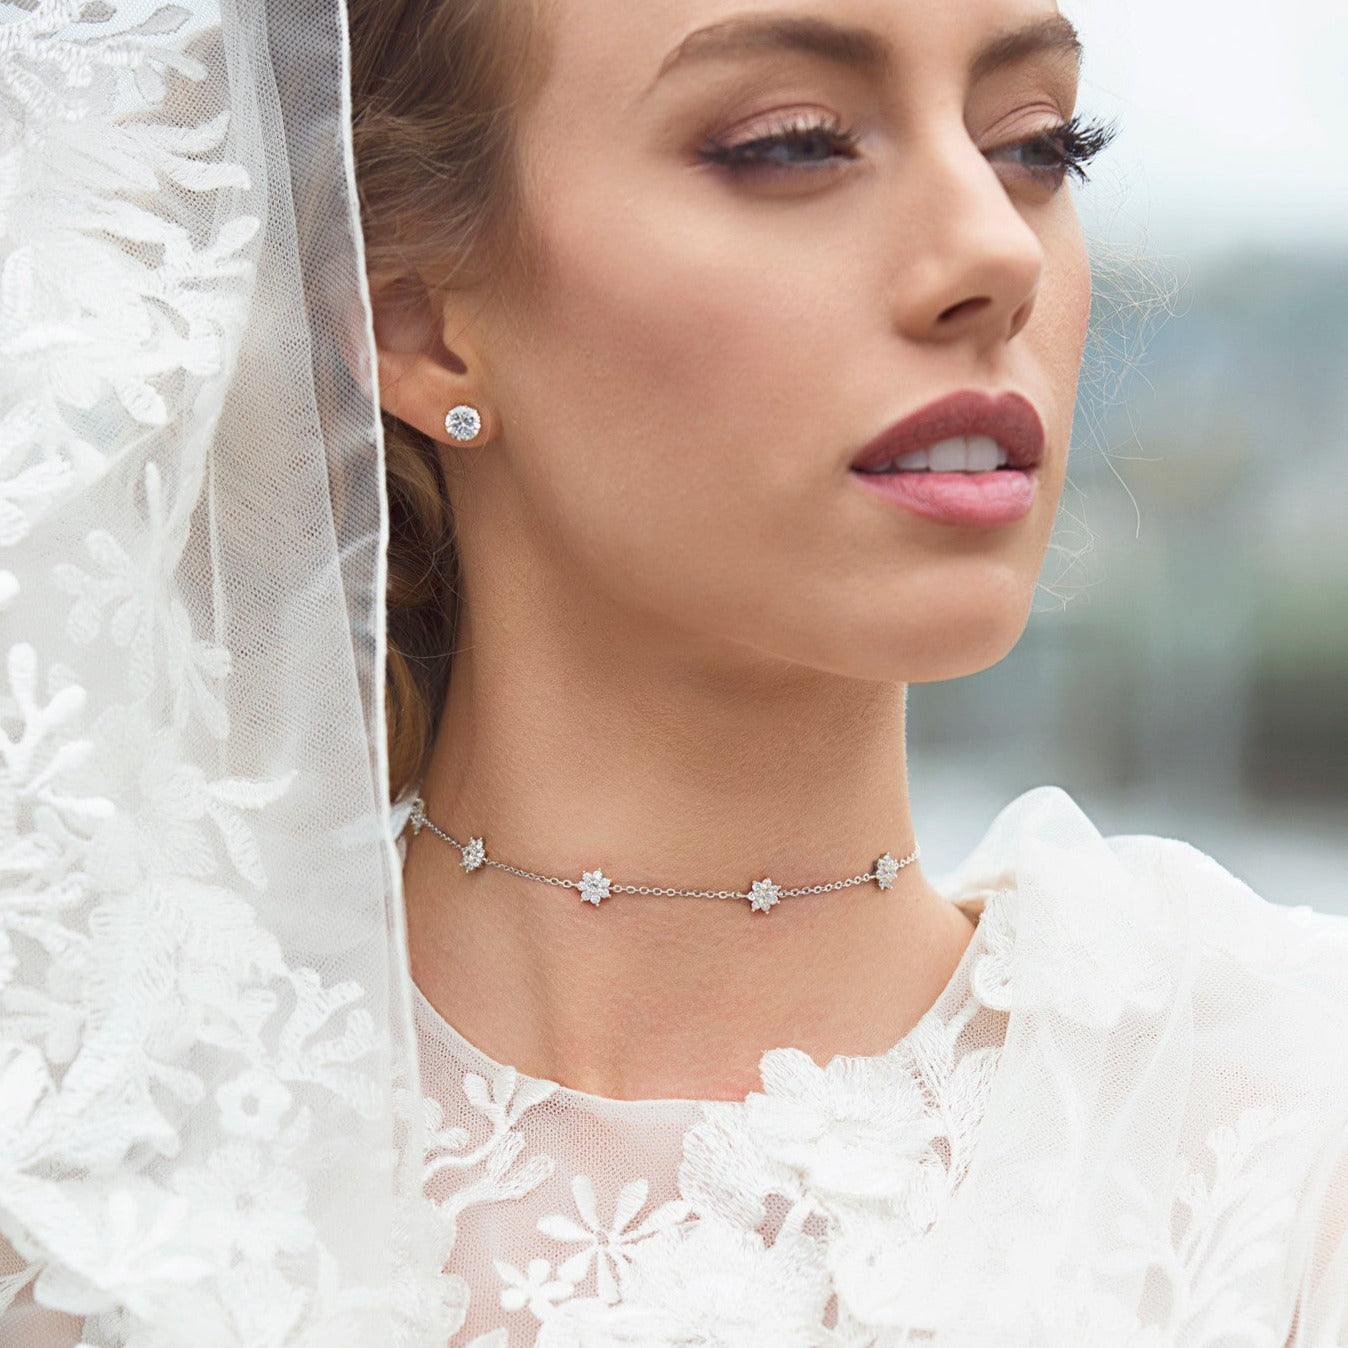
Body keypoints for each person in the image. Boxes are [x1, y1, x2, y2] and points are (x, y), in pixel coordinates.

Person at [1, 0, 1345, 1345]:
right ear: (411, 320)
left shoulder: (1281, 1130)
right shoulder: (90, 1199)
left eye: (1041, 145)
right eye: (792, 144)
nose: (998, 250)